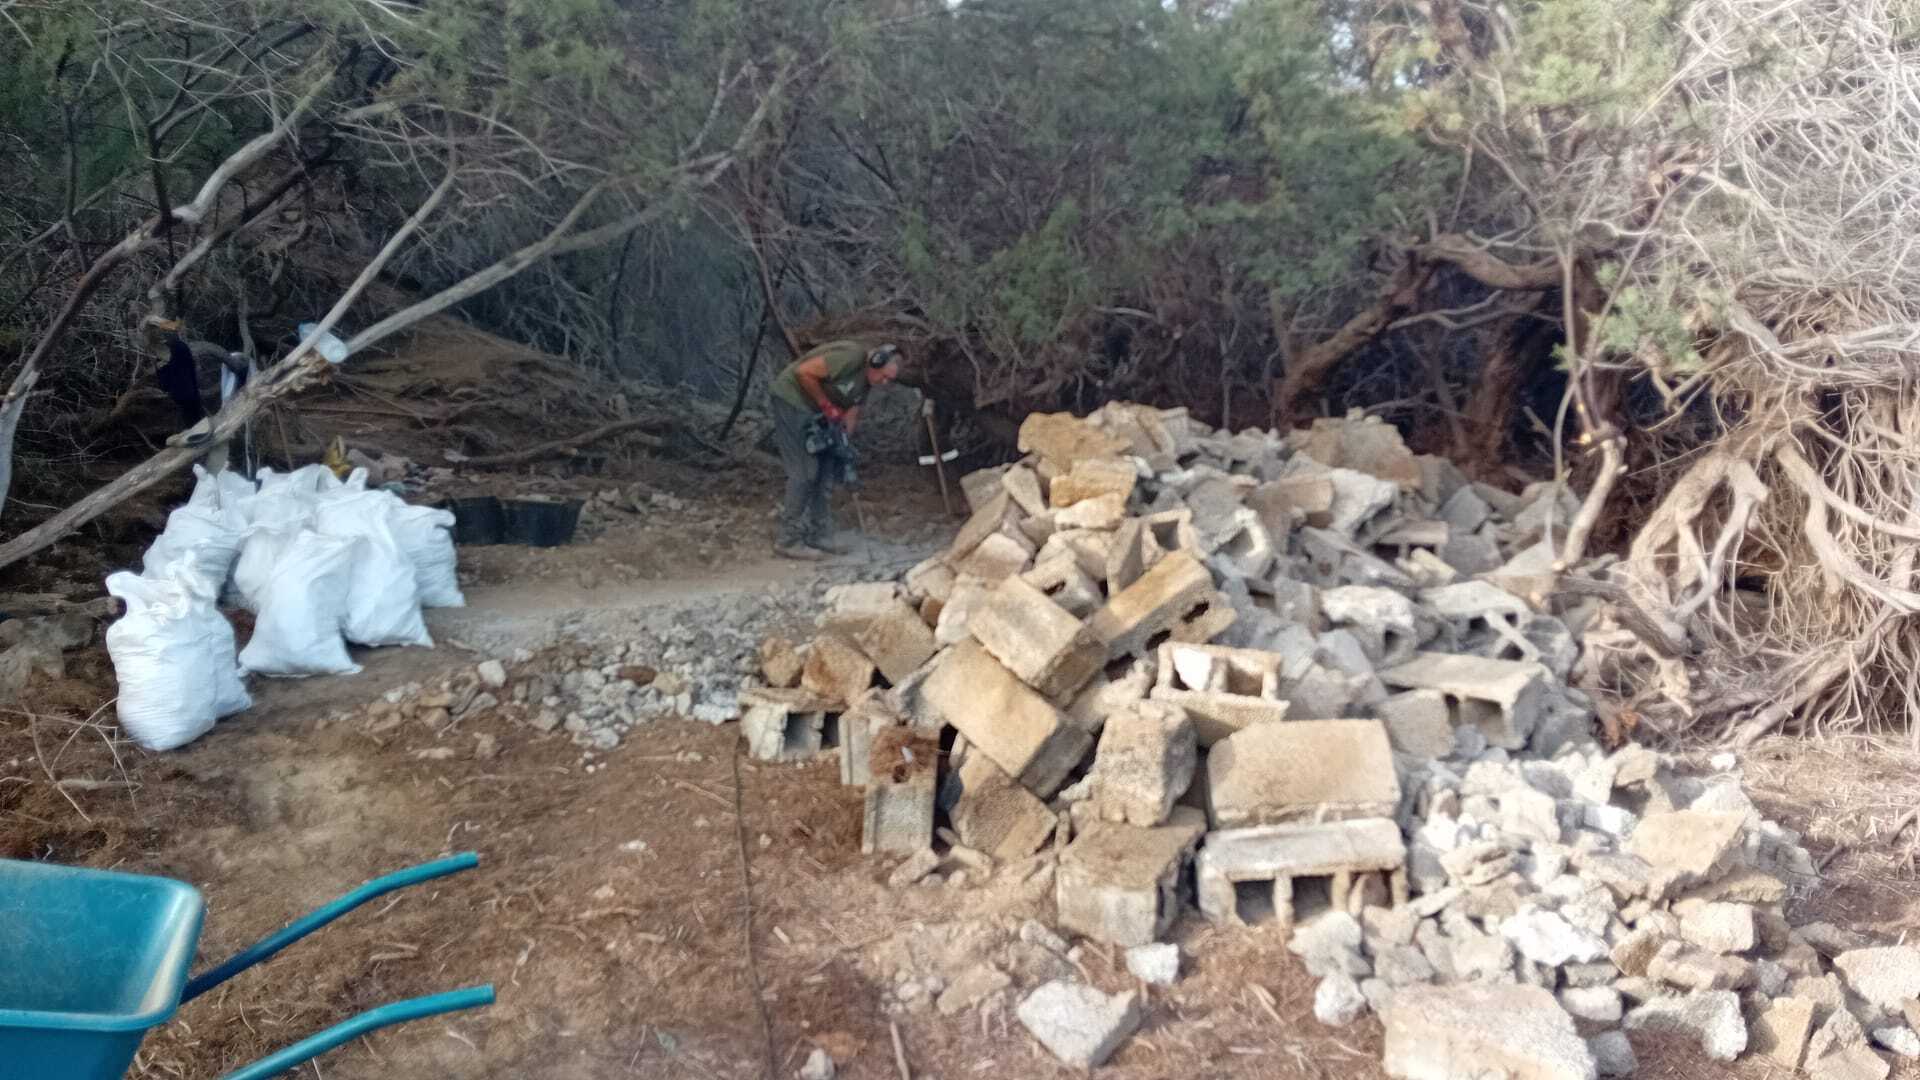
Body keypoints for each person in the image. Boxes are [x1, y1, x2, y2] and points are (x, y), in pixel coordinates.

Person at [766, 339, 901, 559]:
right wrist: (827, 406)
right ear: (875, 363)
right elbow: (804, 372)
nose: (884, 382)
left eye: (889, 380)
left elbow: (851, 413)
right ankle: (787, 540)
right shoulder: (852, 357)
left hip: (815, 412)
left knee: (826, 469)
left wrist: (842, 444)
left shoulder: (865, 384)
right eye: (884, 376)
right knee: (804, 472)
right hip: (792, 401)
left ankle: (820, 535)